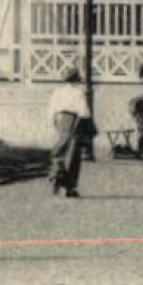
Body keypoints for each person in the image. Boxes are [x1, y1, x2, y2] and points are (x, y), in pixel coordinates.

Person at [48, 69, 90, 198]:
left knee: (59, 150)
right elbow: (84, 112)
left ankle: (56, 176)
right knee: (73, 154)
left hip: (60, 119)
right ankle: (70, 187)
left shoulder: (57, 92)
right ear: (76, 80)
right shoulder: (78, 93)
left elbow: (51, 110)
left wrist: (53, 122)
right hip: (73, 120)